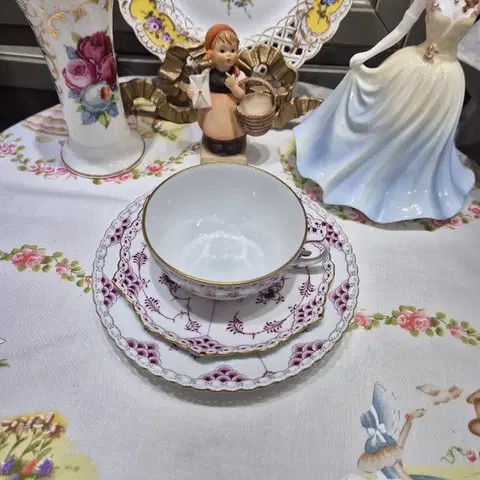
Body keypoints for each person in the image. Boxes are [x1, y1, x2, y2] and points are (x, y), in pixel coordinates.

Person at [293, 0, 480, 223]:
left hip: (448, 80)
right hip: (412, 68)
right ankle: (363, 180)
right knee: (386, 124)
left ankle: (406, 189)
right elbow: (401, 28)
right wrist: (369, 54)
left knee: (426, 139)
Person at [188, 24, 246, 156]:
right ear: (210, 53)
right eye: (222, 50)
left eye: (233, 50)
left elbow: (242, 95)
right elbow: (199, 91)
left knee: (233, 141)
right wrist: (192, 92)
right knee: (214, 140)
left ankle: (233, 141)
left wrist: (233, 86)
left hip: (232, 113)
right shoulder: (207, 74)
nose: (228, 55)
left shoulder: (238, 75)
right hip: (211, 112)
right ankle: (214, 140)